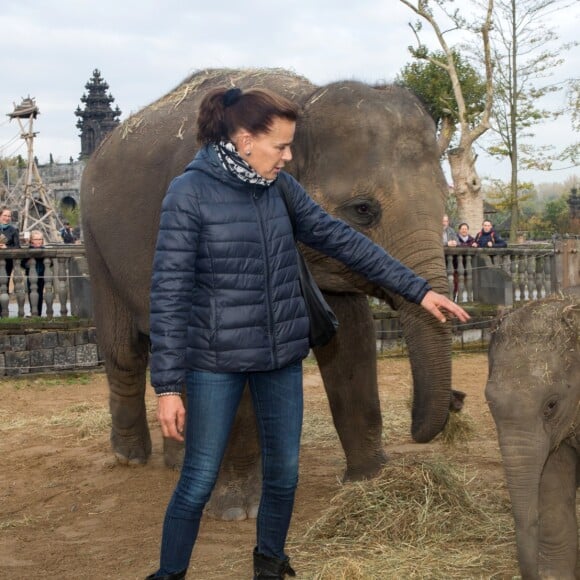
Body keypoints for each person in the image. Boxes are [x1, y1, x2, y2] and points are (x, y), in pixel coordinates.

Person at [146, 86, 470, 580]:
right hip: (215, 363)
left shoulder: (281, 189)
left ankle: (270, 563)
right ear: (245, 139)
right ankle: (169, 574)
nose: (288, 156)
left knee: (284, 474)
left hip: (280, 356)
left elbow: (343, 239)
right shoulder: (188, 194)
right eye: (280, 146)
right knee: (198, 479)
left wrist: (418, 289)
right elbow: (168, 294)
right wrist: (168, 386)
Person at [0, 206, 20, 317]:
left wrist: (6, 247)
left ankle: (3, 312)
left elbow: (17, 247)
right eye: (4, 215)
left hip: (6, 263)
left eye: (9, 216)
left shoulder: (13, 230)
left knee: (4, 286)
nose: (7, 218)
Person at [21, 230, 46, 315]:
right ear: (31, 240)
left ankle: (39, 313)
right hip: (31, 275)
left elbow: (50, 263)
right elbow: (22, 263)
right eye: (36, 239)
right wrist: (28, 263)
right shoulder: (28, 250)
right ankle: (33, 311)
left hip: (42, 275)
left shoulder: (45, 250)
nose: (38, 241)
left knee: (40, 294)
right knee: (32, 293)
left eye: (40, 239)